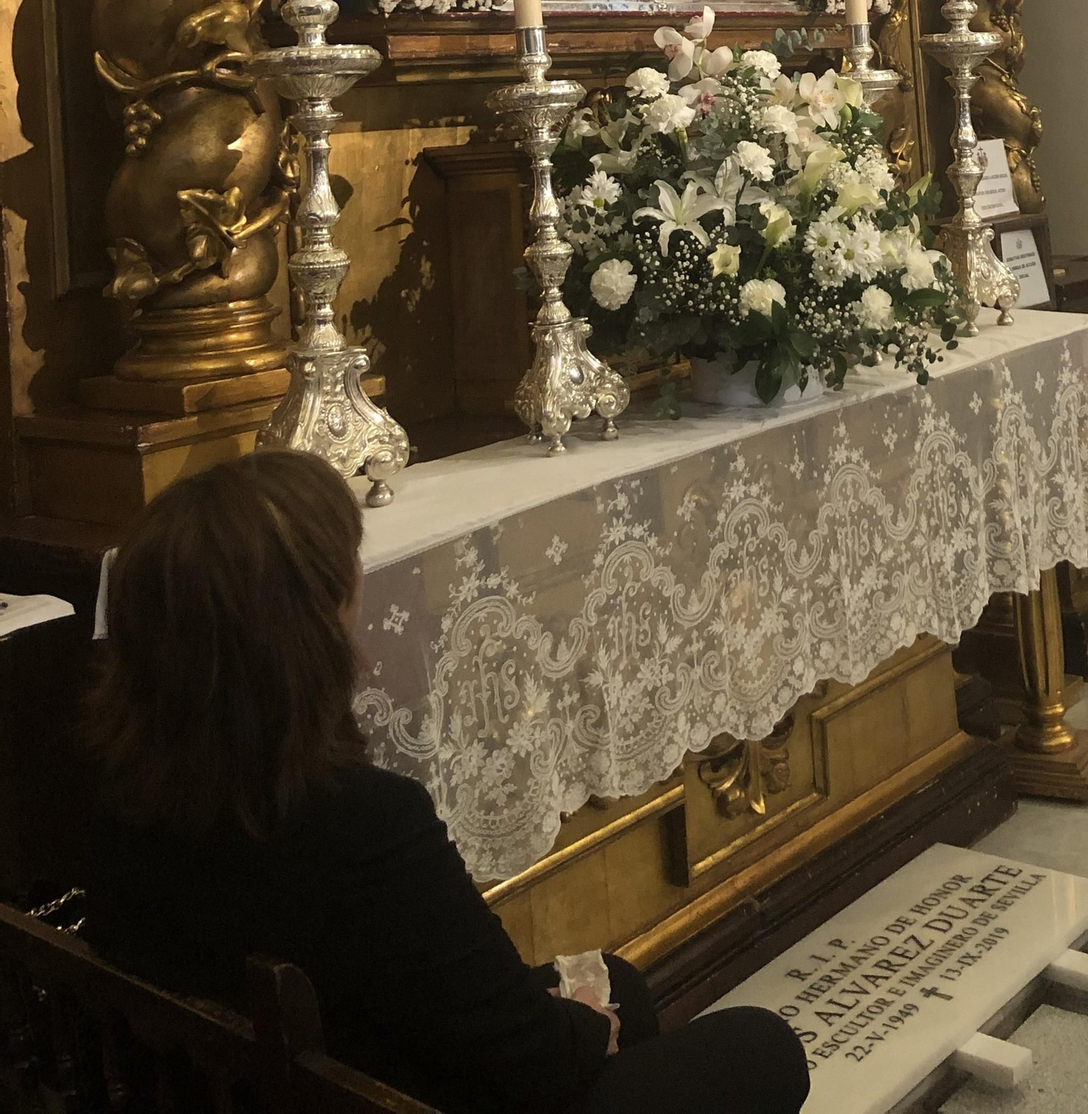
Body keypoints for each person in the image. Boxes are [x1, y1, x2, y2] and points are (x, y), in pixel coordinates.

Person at [84, 451, 808, 1114]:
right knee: (760, 1046)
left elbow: (436, 990)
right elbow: (531, 1068)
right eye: (345, 574)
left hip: (276, 1080)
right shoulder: (365, 823)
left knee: (624, 982)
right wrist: (590, 1034)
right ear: (306, 626)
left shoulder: (119, 791)